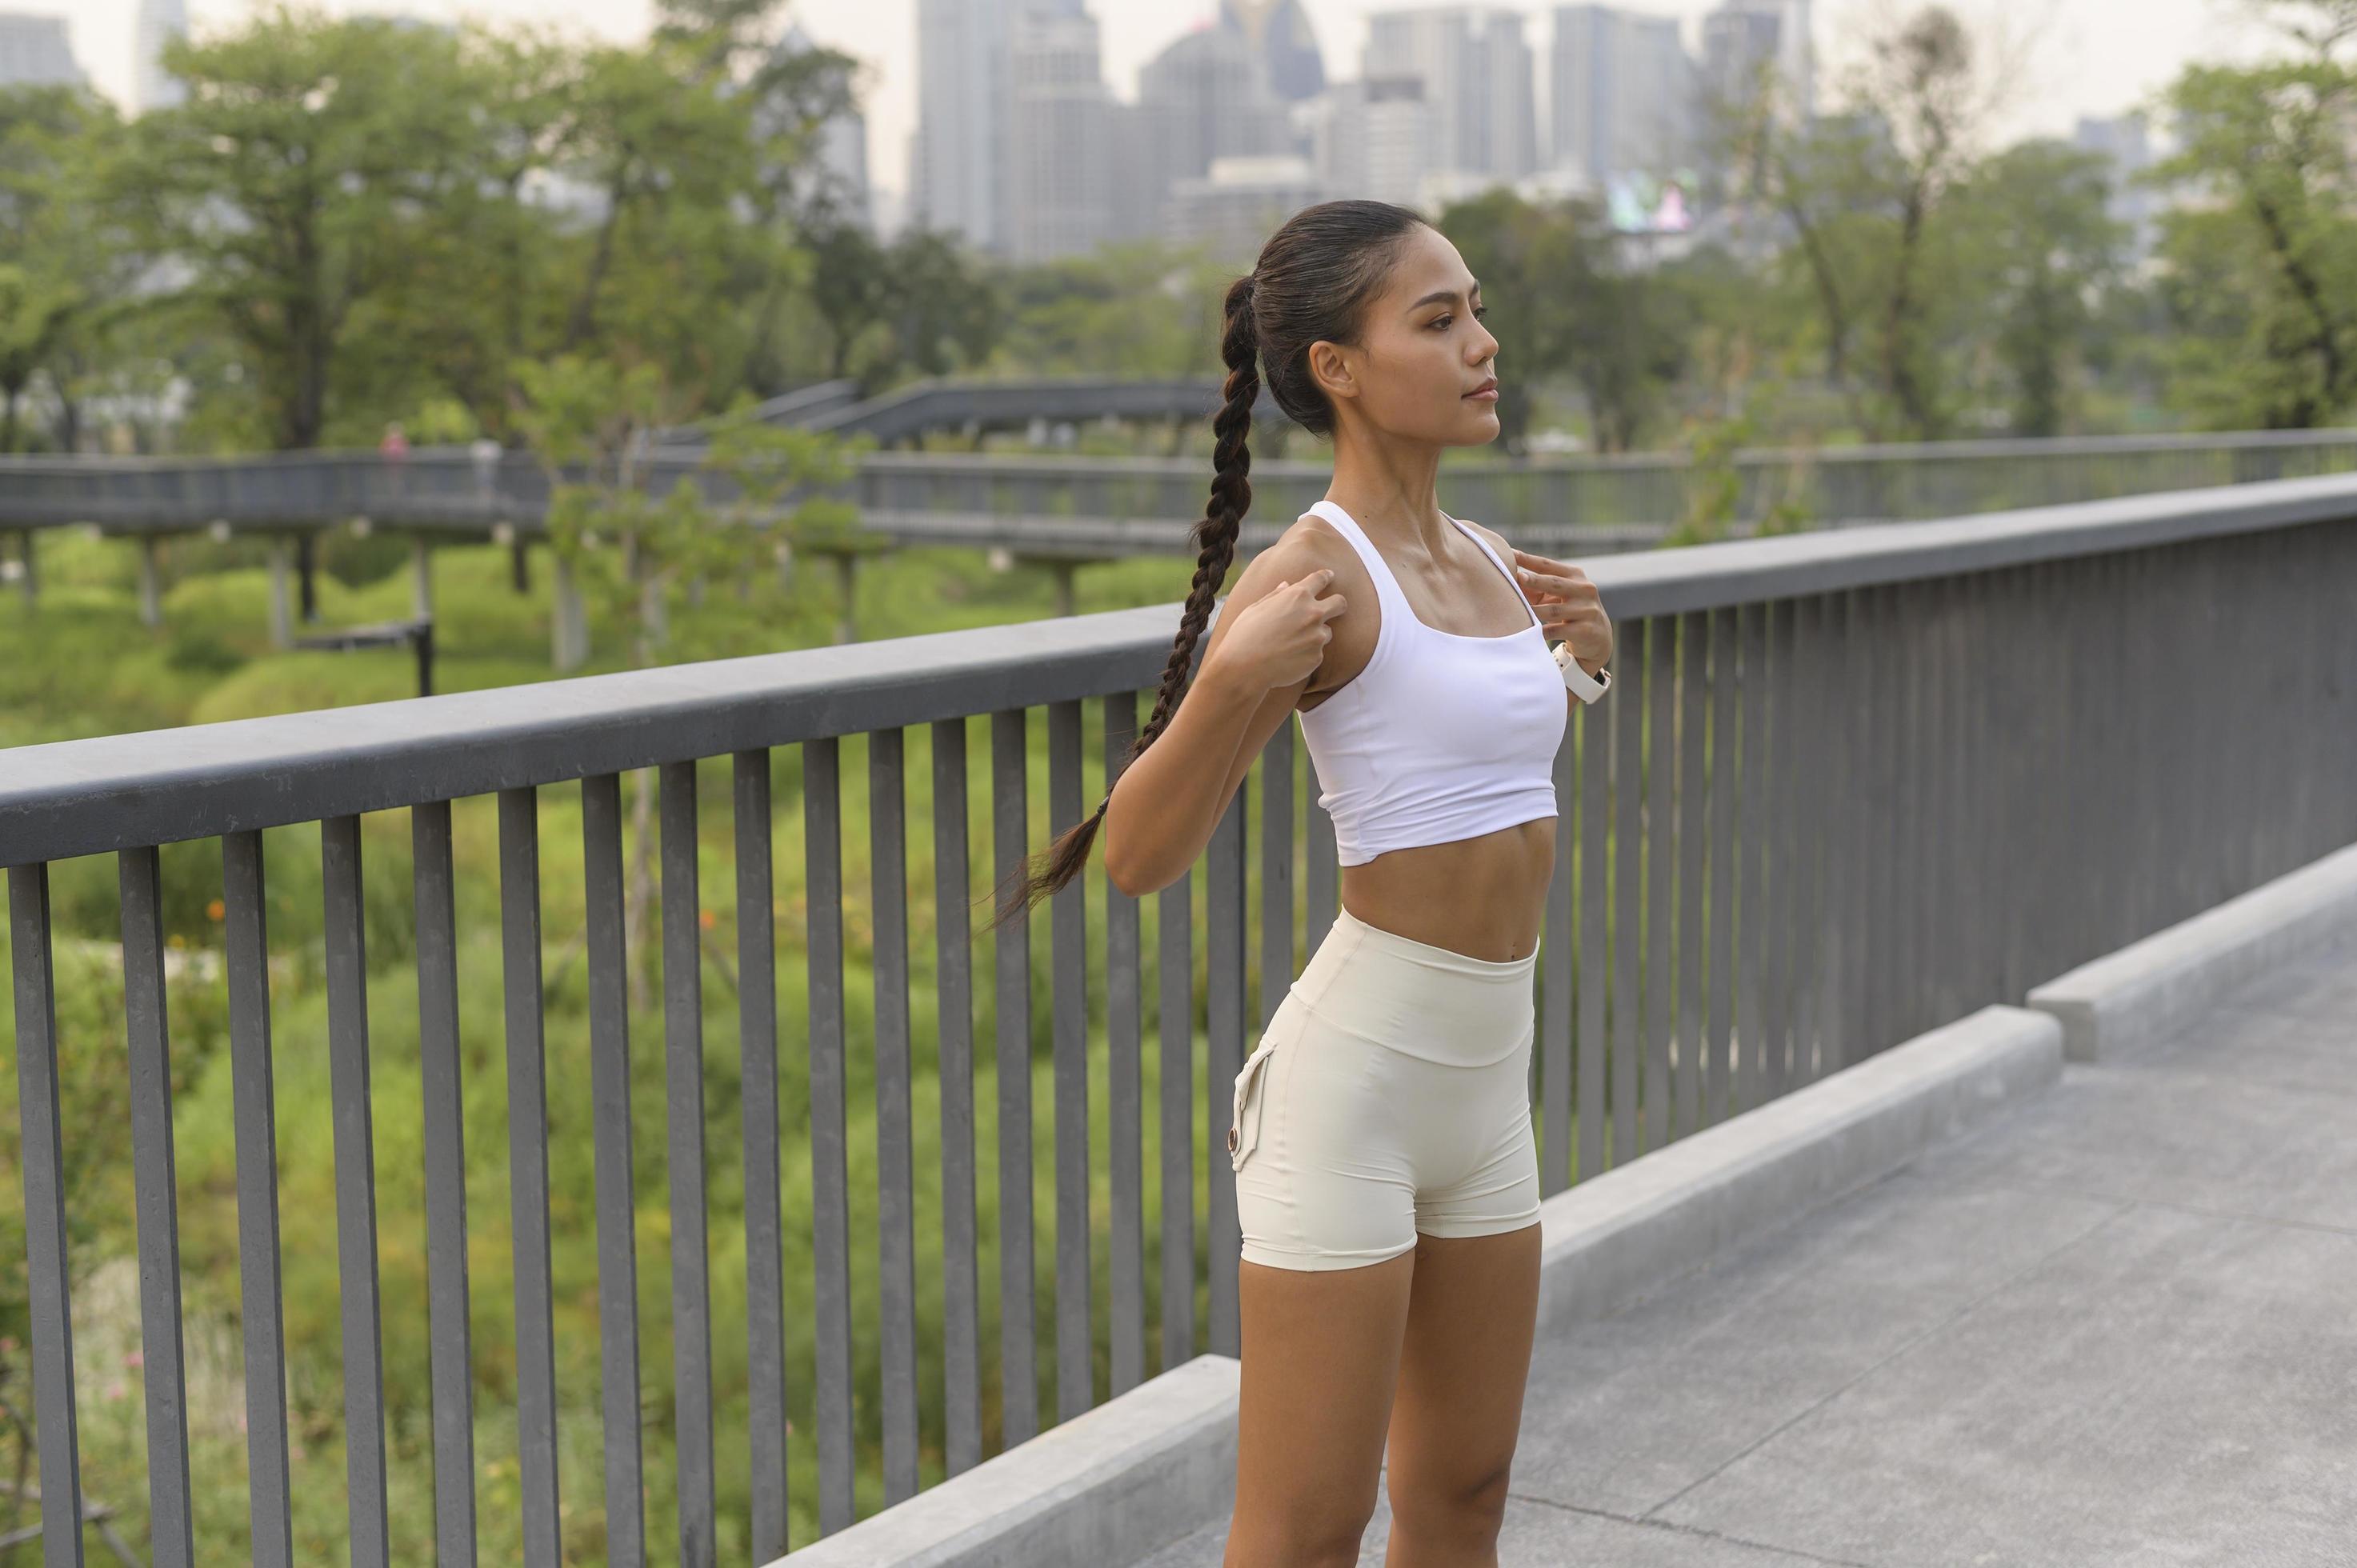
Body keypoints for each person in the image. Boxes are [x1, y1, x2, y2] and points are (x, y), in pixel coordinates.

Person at [989, 199, 1615, 1565]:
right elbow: (1142, 859)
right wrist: (1226, 677)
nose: (1481, 346)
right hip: (1356, 1093)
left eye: (1477, 312)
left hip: (1485, 1083)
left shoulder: (1499, 563)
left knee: (1464, 1492)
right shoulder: (1311, 582)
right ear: (1337, 366)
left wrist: (1586, 659)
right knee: (1303, 1529)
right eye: (1436, 321)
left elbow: (1480, 762)